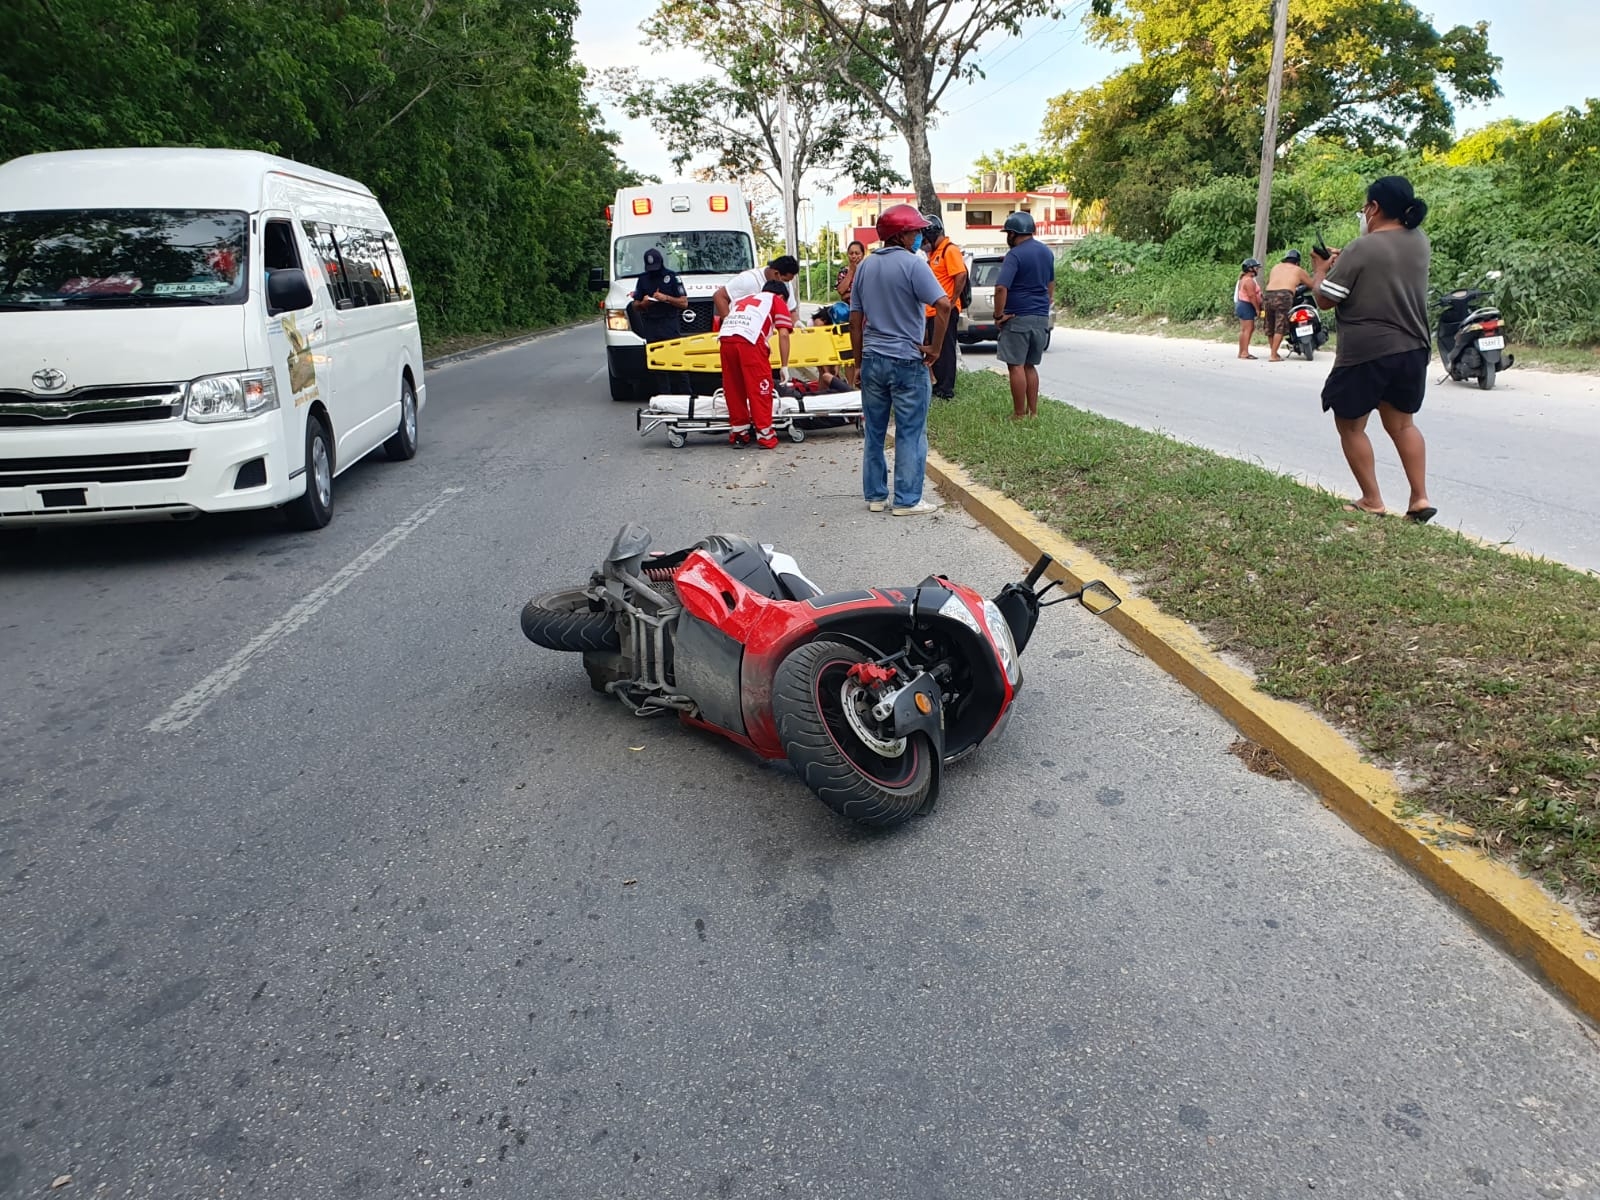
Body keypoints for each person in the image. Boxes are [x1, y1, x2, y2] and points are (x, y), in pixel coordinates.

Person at [1311, 175, 1436, 522]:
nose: (1363, 215)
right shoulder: (1419, 241)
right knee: (1403, 425)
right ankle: (1420, 498)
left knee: (1350, 426)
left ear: (1375, 208)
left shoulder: (1361, 248)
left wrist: (1320, 270)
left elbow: (1324, 299)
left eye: (1365, 208)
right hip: (1413, 348)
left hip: (1367, 352)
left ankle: (1372, 499)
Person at [849, 203, 951, 515]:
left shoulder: (864, 266)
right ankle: (907, 500)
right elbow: (943, 305)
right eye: (916, 231)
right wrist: (934, 348)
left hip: (873, 359)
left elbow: (856, 317)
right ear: (901, 235)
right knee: (910, 431)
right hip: (907, 359)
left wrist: (857, 362)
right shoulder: (913, 264)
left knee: (875, 432)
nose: (920, 235)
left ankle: (876, 497)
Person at [718, 279, 794, 449]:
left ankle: (739, 433)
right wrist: (784, 366)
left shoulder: (746, 299)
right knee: (760, 388)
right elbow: (783, 334)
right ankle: (765, 435)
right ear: (782, 296)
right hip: (750, 341)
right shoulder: (776, 300)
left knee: (734, 387)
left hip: (726, 339)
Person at [993, 211, 1054, 418]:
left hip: (1018, 317)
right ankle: (1033, 412)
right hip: (1040, 317)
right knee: (1030, 365)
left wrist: (998, 314)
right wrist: (1046, 304)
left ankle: (1019, 413)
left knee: (1016, 365)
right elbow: (1050, 283)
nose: (1007, 237)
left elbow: (1001, 287)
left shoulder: (1015, 255)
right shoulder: (1046, 252)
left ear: (1013, 233)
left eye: (1007, 233)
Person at [629, 246, 691, 395]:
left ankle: (686, 395)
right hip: (651, 324)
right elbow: (635, 305)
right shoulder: (643, 279)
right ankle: (664, 397)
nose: (653, 270)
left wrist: (666, 298)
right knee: (658, 364)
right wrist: (643, 303)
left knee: (677, 361)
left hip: (669, 324)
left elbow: (684, 303)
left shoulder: (672, 277)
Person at [921, 213, 967, 400]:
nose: (923, 244)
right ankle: (940, 384)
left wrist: (951, 299)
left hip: (945, 310)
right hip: (933, 311)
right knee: (935, 346)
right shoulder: (934, 253)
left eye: (924, 239)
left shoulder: (949, 250)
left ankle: (946, 388)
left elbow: (960, 275)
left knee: (946, 348)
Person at [714, 255, 799, 323]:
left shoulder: (785, 284)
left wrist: (797, 324)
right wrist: (728, 323)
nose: (786, 284)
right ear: (776, 273)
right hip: (743, 330)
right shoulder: (747, 280)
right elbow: (719, 296)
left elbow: (791, 311)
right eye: (785, 280)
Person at [1262, 250, 1312, 362]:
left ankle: (1274, 352)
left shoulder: (1276, 267)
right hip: (1284, 295)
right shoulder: (1298, 270)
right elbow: (1311, 285)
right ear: (1297, 262)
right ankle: (1273, 356)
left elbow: (1269, 282)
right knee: (1280, 325)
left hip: (1269, 295)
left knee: (1270, 325)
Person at [1235, 258, 1263, 360]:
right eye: (1256, 268)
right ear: (1250, 269)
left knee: (1244, 330)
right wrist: (1257, 309)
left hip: (1242, 305)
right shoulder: (1249, 281)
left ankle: (1241, 351)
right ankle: (1245, 353)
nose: (1257, 270)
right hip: (1247, 306)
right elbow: (1252, 296)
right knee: (1248, 329)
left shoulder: (1243, 279)